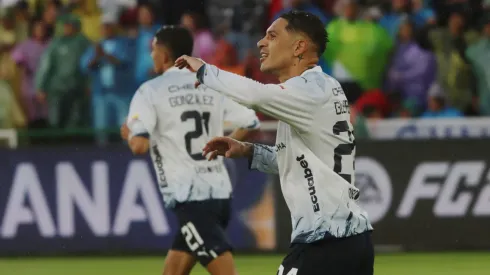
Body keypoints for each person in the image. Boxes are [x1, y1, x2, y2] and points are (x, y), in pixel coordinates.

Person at [176, 10, 374, 275]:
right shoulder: (319, 89)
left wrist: (205, 71)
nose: (260, 43)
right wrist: (248, 151)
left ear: (299, 46)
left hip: (325, 242)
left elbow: (257, 95)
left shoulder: (310, 89)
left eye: (272, 35)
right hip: (349, 241)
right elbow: (303, 161)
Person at [121, 26, 260, 275]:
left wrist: (129, 133)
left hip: (190, 198)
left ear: (164, 55)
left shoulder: (150, 91)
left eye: (153, 50)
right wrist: (225, 146)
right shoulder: (209, 85)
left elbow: (139, 145)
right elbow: (250, 122)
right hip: (219, 195)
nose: (151, 56)